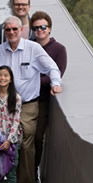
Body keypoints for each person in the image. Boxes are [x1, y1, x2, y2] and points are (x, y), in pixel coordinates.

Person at [0, 16, 63, 183]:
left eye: (15, 29)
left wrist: (55, 84)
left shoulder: (33, 49)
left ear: (22, 30)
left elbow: (52, 67)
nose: (11, 33)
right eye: (8, 30)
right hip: (4, 105)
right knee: (2, 144)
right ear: (4, 32)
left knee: (25, 143)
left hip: (28, 105)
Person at [30, 11, 68, 170]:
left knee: (38, 137)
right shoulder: (29, 46)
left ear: (50, 29)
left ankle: (33, 171)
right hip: (25, 98)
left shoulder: (59, 49)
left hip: (43, 100)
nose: (40, 30)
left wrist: (33, 82)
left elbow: (57, 73)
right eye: (36, 27)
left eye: (43, 27)